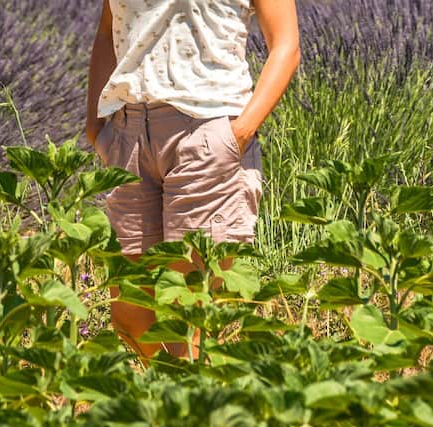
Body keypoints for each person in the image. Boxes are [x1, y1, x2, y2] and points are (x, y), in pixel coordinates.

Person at [85, 0, 300, 359]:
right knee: (130, 313)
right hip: (129, 134)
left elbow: (286, 45)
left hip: (206, 131)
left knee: (188, 314)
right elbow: (109, 28)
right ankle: (165, 397)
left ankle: (187, 406)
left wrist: (239, 134)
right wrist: (95, 127)